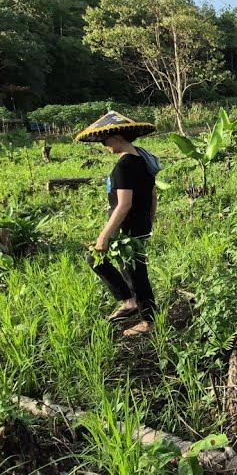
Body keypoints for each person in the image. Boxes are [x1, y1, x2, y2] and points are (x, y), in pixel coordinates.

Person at [75, 111, 161, 338]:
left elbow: (123, 205)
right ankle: (128, 300)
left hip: (127, 227)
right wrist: (149, 221)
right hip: (139, 224)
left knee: (134, 272)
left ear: (116, 137)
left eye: (104, 140)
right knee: (99, 260)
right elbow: (153, 196)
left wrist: (104, 235)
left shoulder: (123, 166)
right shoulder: (145, 161)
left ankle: (148, 320)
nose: (104, 145)